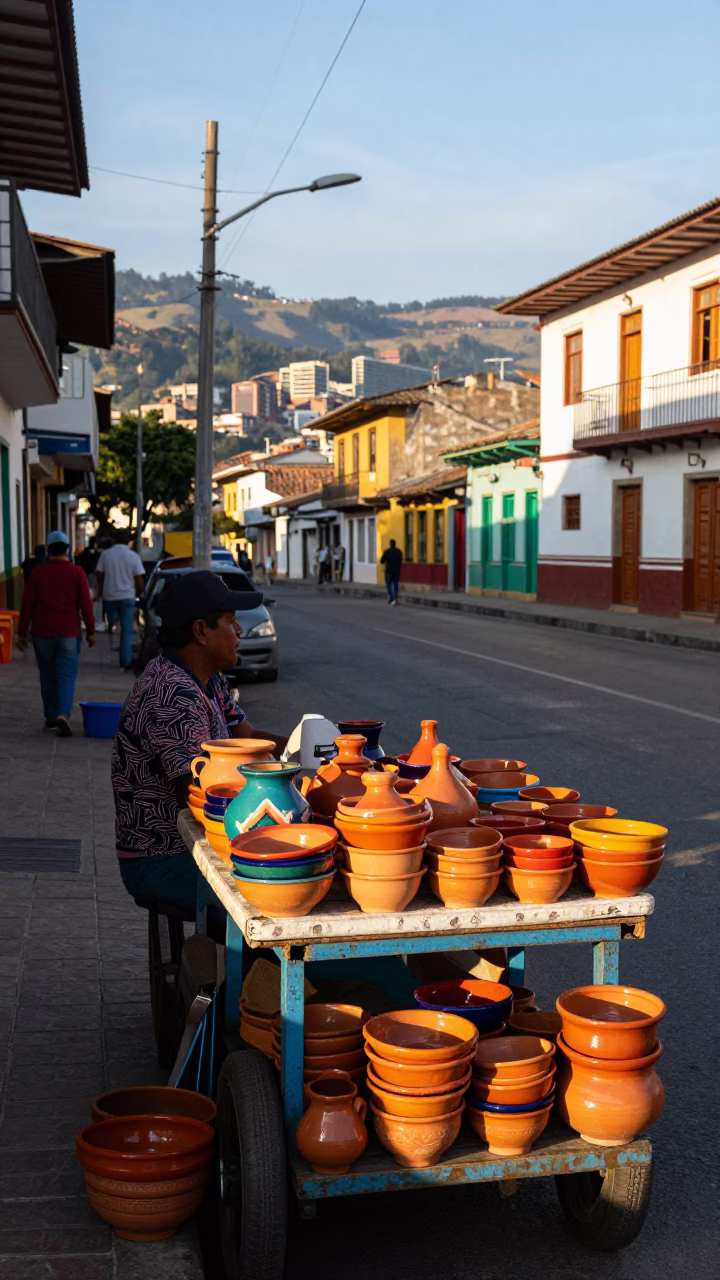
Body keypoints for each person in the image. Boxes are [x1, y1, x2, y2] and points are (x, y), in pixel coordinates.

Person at [111, 570, 287, 912]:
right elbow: (199, 798)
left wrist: (311, 751)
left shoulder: (207, 680)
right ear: (201, 631)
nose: (239, 632)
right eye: (231, 622)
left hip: (193, 845)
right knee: (271, 902)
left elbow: (248, 738)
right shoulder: (170, 694)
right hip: (161, 857)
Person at [17, 530, 96, 735]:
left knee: (47, 675)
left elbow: (27, 605)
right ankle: (63, 713)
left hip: (42, 633)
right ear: (67, 549)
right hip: (69, 633)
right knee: (66, 676)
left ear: (48, 549)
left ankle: (51, 717)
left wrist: (22, 633)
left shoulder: (38, 573)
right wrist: (91, 631)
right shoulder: (77, 572)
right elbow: (86, 605)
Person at [96, 530, 145, 670]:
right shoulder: (133, 556)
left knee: (112, 622)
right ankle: (125, 659)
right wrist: (138, 594)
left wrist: (101, 588)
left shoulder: (106, 555)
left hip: (110, 596)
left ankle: (113, 631)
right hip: (127, 597)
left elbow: (99, 573)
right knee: (126, 629)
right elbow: (139, 579)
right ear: (129, 540)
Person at [380, 538, 403, 605]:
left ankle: (391, 597)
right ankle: (396, 598)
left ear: (390, 544)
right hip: (397, 571)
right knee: (396, 585)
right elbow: (400, 561)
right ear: (395, 544)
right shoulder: (399, 551)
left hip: (389, 571)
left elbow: (381, 561)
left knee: (389, 585)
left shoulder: (387, 552)